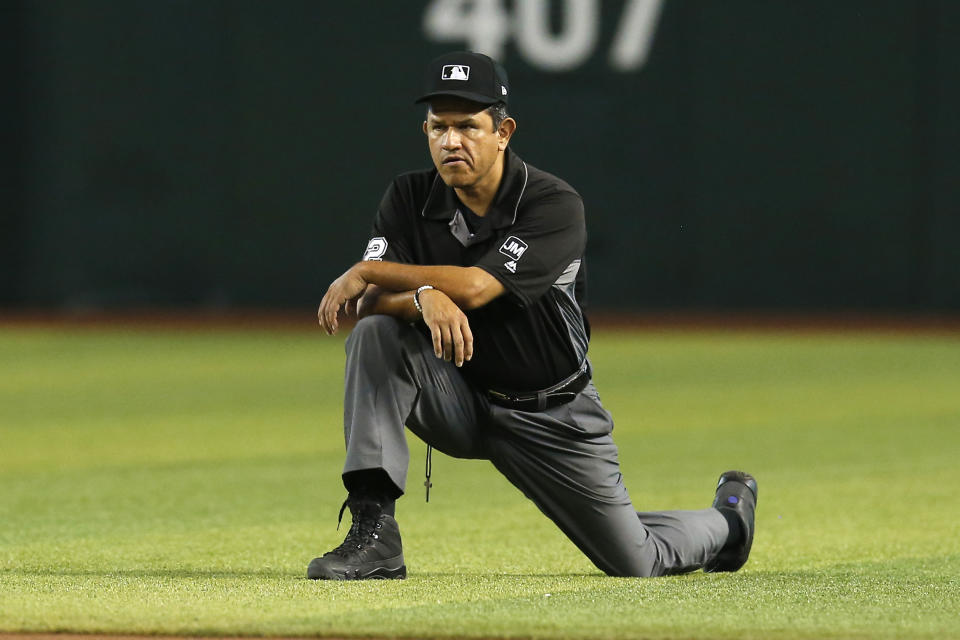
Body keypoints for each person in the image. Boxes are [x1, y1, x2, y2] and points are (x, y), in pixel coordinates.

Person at [309, 51, 757, 580]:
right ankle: (374, 533)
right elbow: (366, 305)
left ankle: (728, 521)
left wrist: (373, 270)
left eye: (468, 126)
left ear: (503, 131)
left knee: (636, 561)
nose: (451, 141)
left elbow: (476, 287)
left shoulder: (551, 203)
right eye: (438, 127)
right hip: (462, 399)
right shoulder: (408, 196)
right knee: (377, 335)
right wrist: (423, 295)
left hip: (552, 416)